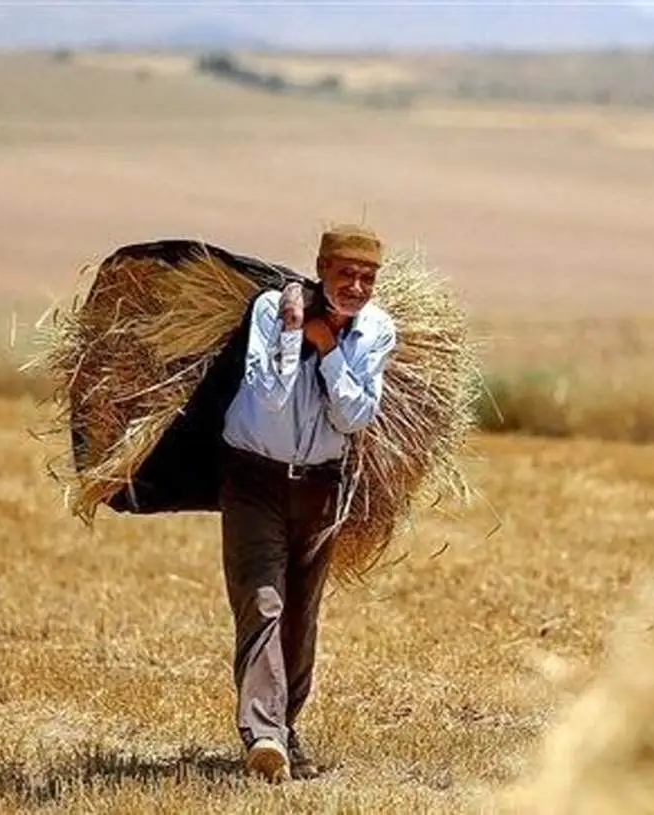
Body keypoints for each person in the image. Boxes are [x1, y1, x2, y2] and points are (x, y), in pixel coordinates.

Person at [217, 223, 397, 782]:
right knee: (262, 601)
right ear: (321, 269)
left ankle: (284, 731)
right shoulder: (272, 309)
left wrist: (328, 350)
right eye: (346, 274)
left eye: (367, 278)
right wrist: (295, 330)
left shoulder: (377, 330)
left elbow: (355, 415)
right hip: (254, 478)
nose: (356, 287)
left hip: (321, 486)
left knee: (300, 613)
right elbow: (268, 397)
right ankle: (263, 733)